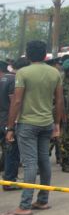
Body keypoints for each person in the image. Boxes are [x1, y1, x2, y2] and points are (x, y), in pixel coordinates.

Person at [2, 41, 63, 215]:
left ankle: (25, 205)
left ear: (27, 55)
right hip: (47, 123)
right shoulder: (54, 72)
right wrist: (57, 124)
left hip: (27, 123)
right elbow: (59, 101)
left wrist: (10, 127)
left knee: (30, 163)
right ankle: (43, 200)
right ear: (45, 55)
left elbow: (17, 101)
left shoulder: (23, 72)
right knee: (44, 160)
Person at [1, 59, 21, 190]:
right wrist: (13, 124)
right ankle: (9, 180)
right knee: (11, 150)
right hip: (6, 121)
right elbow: (14, 102)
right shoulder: (11, 80)